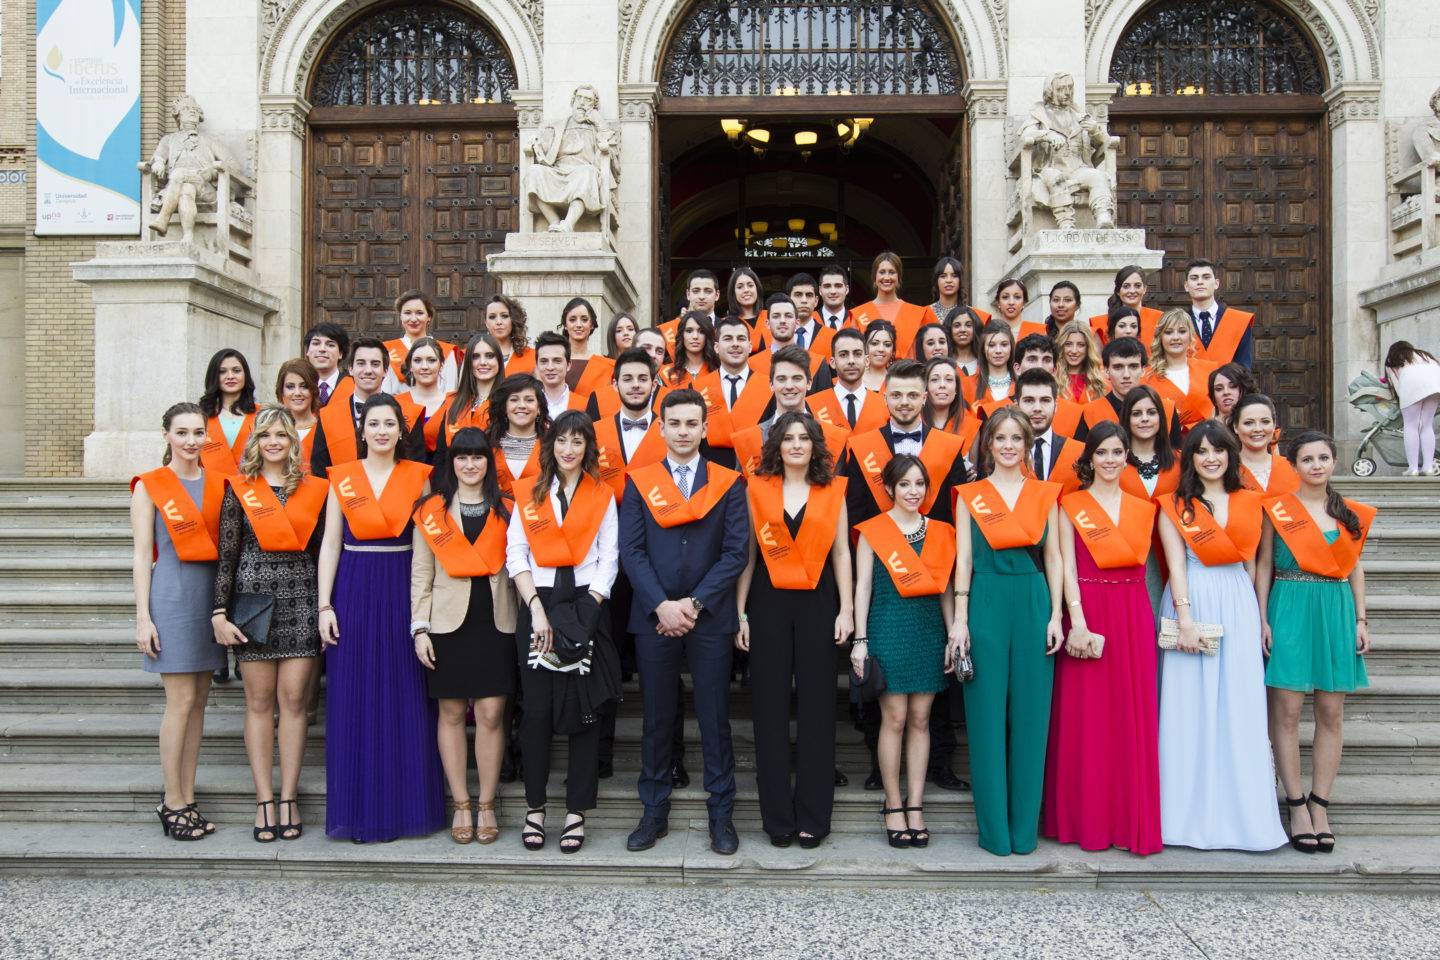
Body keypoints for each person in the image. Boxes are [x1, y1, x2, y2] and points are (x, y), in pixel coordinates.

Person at [619, 389, 749, 856]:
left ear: (704, 428)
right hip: (654, 617)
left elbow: (736, 553)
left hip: (709, 618)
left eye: (691, 424)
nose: (682, 432)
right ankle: (653, 812)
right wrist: (662, 605)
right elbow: (630, 551)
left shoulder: (728, 481)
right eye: (674, 423)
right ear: (661, 427)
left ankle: (721, 815)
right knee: (656, 719)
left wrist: (692, 605)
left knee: (715, 719)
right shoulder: (640, 481)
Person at [317, 394, 443, 842]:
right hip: (354, 588)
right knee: (355, 698)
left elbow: (429, 547)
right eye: (375, 423)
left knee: (406, 696)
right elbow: (330, 543)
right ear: (362, 429)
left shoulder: (420, 478)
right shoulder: (342, 479)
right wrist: (324, 605)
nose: (383, 431)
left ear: (401, 431)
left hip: (403, 585)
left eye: (391, 423)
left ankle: (407, 807)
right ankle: (359, 810)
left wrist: (424, 612)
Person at [1155, 420, 1286, 851]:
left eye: (1218, 450)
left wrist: (1259, 616)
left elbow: (1254, 566)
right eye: (1201, 451)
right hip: (1191, 598)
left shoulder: (1252, 501)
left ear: (1231, 455)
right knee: (1187, 708)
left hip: (1237, 600)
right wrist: (1186, 618)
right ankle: (1182, 819)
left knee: (1239, 706)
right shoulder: (1176, 504)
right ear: (1190, 458)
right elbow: (1174, 564)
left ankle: (1242, 818)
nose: (1211, 458)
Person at [210, 406, 328, 842]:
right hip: (252, 604)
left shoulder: (314, 489)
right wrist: (219, 613)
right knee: (259, 704)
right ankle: (263, 797)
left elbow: (321, 553)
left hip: (301, 599)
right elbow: (227, 556)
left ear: (293, 442)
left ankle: (289, 796)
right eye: (266, 436)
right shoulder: (240, 490)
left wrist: (325, 605)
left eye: (282, 434)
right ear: (255, 443)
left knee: (295, 703)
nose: (274, 442)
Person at [950, 408, 1064, 856]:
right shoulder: (969, 495)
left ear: (1028, 444)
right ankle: (995, 832)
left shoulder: (1045, 494)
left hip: (1033, 601)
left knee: (1032, 721)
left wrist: (1056, 616)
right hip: (986, 600)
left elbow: (1053, 557)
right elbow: (962, 560)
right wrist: (960, 618)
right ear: (989, 443)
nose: (1009, 445)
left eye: (1017, 437)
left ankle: (1024, 832)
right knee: (985, 719)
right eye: (1001, 437)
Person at [736, 412, 854, 847]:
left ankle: (813, 815)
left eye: (805, 438)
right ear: (776, 446)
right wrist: (741, 613)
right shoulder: (757, 490)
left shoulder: (834, 490)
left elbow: (842, 553)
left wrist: (847, 610)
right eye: (788, 438)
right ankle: (777, 818)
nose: (797, 445)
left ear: (816, 445)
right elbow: (747, 556)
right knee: (769, 713)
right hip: (767, 604)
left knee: (818, 713)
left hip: (819, 604)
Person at [1043, 421, 1162, 855]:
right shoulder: (1069, 505)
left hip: (1132, 611)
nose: (1110, 460)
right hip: (1088, 610)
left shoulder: (1143, 507)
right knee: (1085, 721)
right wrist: (1076, 620)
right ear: (1089, 459)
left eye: (1117, 452)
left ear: (1126, 456)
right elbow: (1066, 567)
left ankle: (1127, 820)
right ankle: (1084, 820)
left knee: (1129, 718)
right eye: (1102, 453)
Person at [506, 411, 621, 853]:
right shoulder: (531, 493)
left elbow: (609, 556)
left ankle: (576, 812)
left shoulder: (601, 495)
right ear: (550, 446)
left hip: (587, 606)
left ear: (588, 447)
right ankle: (535, 808)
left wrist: (590, 609)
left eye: (577, 442)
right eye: (561, 441)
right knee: (535, 712)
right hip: (540, 605)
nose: (568, 450)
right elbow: (516, 553)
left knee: (584, 712)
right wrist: (535, 609)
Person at [1258, 430, 1377, 854]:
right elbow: (1265, 566)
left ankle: (1320, 802)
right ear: (1293, 465)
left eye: (1323, 457)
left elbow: (1355, 569)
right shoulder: (1277, 510)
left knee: (1331, 711)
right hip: (1288, 606)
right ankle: (1295, 804)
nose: (1316, 466)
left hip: (1336, 609)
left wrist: (1361, 619)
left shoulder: (1348, 513)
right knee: (1286, 711)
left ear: (1333, 462)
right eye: (1307, 459)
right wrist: (1261, 618)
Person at [411, 428, 517, 846]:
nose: (470, 464)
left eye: (477, 457)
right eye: (461, 457)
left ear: (489, 463)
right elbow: (421, 573)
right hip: (446, 623)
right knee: (451, 714)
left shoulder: (507, 508)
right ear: (450, 463)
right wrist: (419, 627)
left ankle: (487, 803)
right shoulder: (431, 510)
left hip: (496, 622)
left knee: (491, 714)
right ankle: (460, 804)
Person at [132, 402, 226, 841]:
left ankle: (187, 795)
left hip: (210, 598)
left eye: (198, 433)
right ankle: (171, 800)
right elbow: (140, 556)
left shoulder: (219, 483)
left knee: (200, 703)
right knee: (180, 702)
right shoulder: (151, 486)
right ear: (167, 435)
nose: (191, 441)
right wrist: (142, 616)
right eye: (182, 432)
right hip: (171, 594)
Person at [853, 454, 956, 848]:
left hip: (928, 630)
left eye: (920, 484)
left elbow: (945, 589)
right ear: (890, 489)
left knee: (921, 718)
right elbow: (863, 588)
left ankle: (916, 804)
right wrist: (860, 641)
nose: (913, 492)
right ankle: (892, 803)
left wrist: (952, 634)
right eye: (905, 484)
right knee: (893, 718)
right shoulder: (873, 532)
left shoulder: (942, 531)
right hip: (886, 626)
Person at [845, 359, 970, 528]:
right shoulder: (862, 448)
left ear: (924, 398)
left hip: (936, 549)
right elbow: (856, 515)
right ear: (885, 398)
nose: (904, 402)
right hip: (880, 549)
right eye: (896, 395)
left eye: (912, 395)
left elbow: (957, 515)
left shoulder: (949, 446)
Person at [730, 345, 847, 476]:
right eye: (781, 379)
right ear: (771, 384)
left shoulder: (833, 438)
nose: (789, 386)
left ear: (809, 383)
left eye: (797, 378)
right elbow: (743, 494)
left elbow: (837, 493)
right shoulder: (747, 441)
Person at [310, 337, 414, 478]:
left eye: (375, 364)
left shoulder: (410, 412)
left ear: (385, 371)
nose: (368, 370)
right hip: (343, 496)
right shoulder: (328, 415)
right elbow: (319, 470)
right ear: (351, 369)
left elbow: (414, 466)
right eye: (361, 363)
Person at [1075, 337, 1183, 448]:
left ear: (1142, 370)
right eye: (1118, 367)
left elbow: (1176, 458)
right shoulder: (1090, 413)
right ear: (1106, 371)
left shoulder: (1166, 409)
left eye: (1133, 366)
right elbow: (1082, 460)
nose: (1126, 375)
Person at [694, 316, 770, 469]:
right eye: (728, 339)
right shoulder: (697, 388)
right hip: (711, 476)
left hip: (759, 474)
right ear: (716, 347)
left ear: (749, 346)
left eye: (741, 339)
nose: (735, 344)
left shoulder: (770, 386)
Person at [1143, 308, 1218, 430]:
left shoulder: (1210, 370)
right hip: (1169, 445)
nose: (1175, 337)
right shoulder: (1146, 378)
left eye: (1182, 331)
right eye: (1168, 332)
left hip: (1208, 440)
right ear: (1160, 337)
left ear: (1190, 336)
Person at [1012, 369, 1083, 494]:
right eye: (1029, 400)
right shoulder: (1004, 452)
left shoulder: (1079, 452)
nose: (1037, 408)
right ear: (1016, 406)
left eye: (1045, 400)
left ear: (1056, 406)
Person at [808, 328, 888, 435]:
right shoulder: (813, 405)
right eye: (843, 355)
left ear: (867, 360)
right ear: (832, 362)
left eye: (857, 354)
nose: (851, 361)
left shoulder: (884, 405)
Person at [849, 251, 929, 355]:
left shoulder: (918, 313)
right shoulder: (858, 314)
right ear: (874, 277)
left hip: (908, 370)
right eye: (882, 272)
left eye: (892, 272)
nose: (887, 277)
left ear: (899, 277)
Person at [485, 373, 550, 497]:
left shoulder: (552, 445)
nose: (521, 405)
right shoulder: (487, 443)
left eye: (529, 400)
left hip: (542, 514)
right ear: (504, 407)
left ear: (539, 408)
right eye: (514, 400)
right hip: (495, 514)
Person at [439, 331, 506, 451]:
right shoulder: (452, 401)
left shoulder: (509, 402)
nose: (483, 362)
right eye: (475, 357)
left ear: (499, 361)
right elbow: (441, 453)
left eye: (490, 356)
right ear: (469, 362)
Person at [382, 290, 457, 393]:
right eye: (407, 313)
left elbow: (450, 391)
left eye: (419, 313)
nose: (413, 319)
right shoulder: (386, 350)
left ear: (429, 317)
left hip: (437, 408)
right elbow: (384, 391)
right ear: (400, 316)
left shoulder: (446, 351)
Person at [198, 348, 258, 476]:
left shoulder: (262, 414)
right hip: (210, 487)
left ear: (245, 375)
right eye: (222, 371)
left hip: (254, 489)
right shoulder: (200, 416)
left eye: (236, 371)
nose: (230, 376)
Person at [1184, 259, 1254, 368]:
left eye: (1206, 277)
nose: (1200, 282)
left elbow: (1243, 365)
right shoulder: (1179, 322)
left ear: (1216, 283)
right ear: (1186, 286)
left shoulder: (1238, 321)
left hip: (1228, 384)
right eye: (1194, 278)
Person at [1384, 340, 1440, 475]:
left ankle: (1413, 468)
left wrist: (1401, 401)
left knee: (1411, 425)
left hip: (1411, 386)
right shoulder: (1424, 355)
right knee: (1427, 425)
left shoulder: (1392, 361)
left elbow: (1396, 385)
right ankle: (1428, 467)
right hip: (1435, 386)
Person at [395, 337, 456, 460]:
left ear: (441, 365)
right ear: (410, 366)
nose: (424, 366)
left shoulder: (455, 402)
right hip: (408, 472)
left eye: (431, 360)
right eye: (417, 360)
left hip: (445, 473)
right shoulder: (397, 403)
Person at [1011, 333, 1083, 437]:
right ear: (1017, 368)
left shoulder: (1074, 414)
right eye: (1032, 359)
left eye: (1046, 360)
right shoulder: (995, 411)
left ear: (1054, 370)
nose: (1039, 366)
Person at [1230, 394, 1300, 495]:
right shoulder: (1227, 468)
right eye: (1249, 423)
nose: (1258, 429)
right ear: (1236, 427)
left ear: (1274, 425)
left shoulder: (1293, 468)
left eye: (1265, 422)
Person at [1089, 265, 1162, 345]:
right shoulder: (1099, 323)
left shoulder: (1159, 319)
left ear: (1144, 289)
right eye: (1126, 286)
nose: (1132, 290)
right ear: (1117, 291)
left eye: (1137, 286)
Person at [559, 297, 616, 400]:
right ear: (565, 325)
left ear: (592, 325)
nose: (578, 325)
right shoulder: (553, 361)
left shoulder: (608, 367)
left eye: (584, 320)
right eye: (572, 320)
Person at [923, 356, 979, 453]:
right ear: (925, 387)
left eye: (949, 379)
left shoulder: (970, 427)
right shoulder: (915, 423)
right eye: (934, 380)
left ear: (956, 389)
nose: (942, 385)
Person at [275, 358, 321, 473]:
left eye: (304, 386)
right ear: (281, 391)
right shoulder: (269, 427)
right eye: (290, 387)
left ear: (313, 390)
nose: (297, 393)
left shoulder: (325, 428)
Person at [658, 268, 720, 353]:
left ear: (717, 295)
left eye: (707, 291)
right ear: (688, 294)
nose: (701, 296)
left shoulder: (726, 328)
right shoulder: (669, 331)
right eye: (696, 291)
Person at [532, 330, 588, 420]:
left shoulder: (585, 405)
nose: (550, 367)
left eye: (557, 361)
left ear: (569, 365)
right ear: (537, 365)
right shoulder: (528, 404)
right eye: (544, 361)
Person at [783, 273, 835, 365]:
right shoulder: (776, 334)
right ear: (788, 300)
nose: (804, 300)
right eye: (798, 295)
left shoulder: (831, 336)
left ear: (816, 301)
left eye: (809, 295)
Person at [969, 321, 1016, 418]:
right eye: (991, 345)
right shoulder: (966, 386)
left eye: (1004, 344)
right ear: (982, 348)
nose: (998, 351)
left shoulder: (1022, 384)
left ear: (1011, 347)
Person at [663, 311, 720, 389]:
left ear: (707, 335)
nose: (695, 336)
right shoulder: (666, 372)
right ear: (681, 335)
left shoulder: (719, 370)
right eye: (689, 331)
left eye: (701, 331)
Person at [1055, 319, 1105, 403]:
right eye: (1068, 344)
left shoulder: (1101, 378)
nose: (1074, 351)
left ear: (1088, 348)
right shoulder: (1052, 377)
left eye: (1081, 345)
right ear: (1062, 346)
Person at [303, 322, 351, 407]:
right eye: (316, 343)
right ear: (307, 351)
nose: (322, 349)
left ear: (340, 353)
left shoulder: (353, 386)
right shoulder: (299, 387)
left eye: (330, 345)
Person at [486, 294, 535, 374]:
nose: (498, 322)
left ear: (513, 320)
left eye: (504, 316)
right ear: (486, 323)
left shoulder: (532, 356)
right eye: (492, 317)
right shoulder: (473, 356)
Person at [994, 276, 1046, 341]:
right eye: (1005, 297)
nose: (1011, 302)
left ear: (1024, 302)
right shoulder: (988, 332)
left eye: (1017, 297)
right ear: (998, 302)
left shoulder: (1037, 331)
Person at [725, 266, 765, 337]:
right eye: (740, 287)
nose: (746, 290)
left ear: (757, 289)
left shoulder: (770, 317)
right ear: (733, 293)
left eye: (750, 285)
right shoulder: (725, 324)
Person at [944, 304, 981, 376]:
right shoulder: (943, 362)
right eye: (957, 325)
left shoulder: (985, 361)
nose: (963, 330)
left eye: (968, 325)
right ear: (949, 329)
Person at [861, 320, 897, 391]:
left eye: (887, 345)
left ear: (893, 350)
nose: (881, 349)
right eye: (874, 343)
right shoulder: (853, 378)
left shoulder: (898, 381)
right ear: (865, 346)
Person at [816, 262, 851, 330]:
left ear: (846, 289)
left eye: (838, 286)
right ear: (820, 290)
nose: (833, 291)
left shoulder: (857, 321)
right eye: (827, 286)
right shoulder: (810, 320)